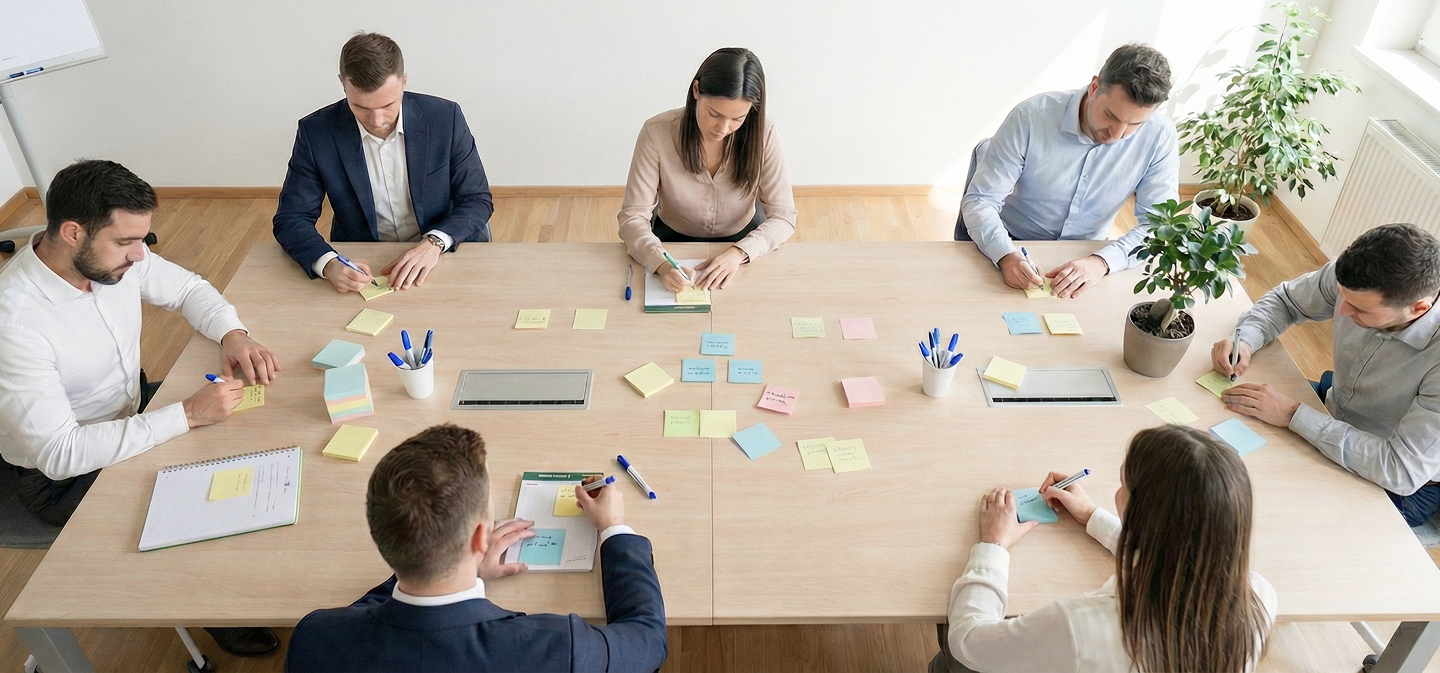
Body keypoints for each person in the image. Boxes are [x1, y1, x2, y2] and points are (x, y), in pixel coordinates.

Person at [0, 159, 283, 657]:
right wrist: (188, 415)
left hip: (127, 411)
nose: (140, 256)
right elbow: (60, 454)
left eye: (143, 239)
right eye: (126, 242)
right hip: (60, 476)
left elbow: (190, 289)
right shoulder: (16, 323)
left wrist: (233, 334)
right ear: (72, 233)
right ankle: (211, 606)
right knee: (198, 501)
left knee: (247, 442)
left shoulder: (114, 260)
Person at [286, 424, 667, 672]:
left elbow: (364, 619)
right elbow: (647, 638)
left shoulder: (313, 640)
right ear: (481, 538)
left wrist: (454, 567)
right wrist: (614, 529)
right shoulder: (556, 647)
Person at [933, 426, 1276, 673]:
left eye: (1124, 484)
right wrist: (1093, 517)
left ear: (1143, 516)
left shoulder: (1079, 629)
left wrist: (992, 545)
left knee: (949, 643)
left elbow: (969, 641)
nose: (1117, 492)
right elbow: (1175, 556)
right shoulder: (1259, 597)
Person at [1215, 223, 1440, 528]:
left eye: (1359, 309)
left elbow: (1400, 469)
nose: (1341, 309)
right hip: (1332, 409)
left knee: (1278, 519)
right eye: (1340, 296)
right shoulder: (1355, 276)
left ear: (1418, 308)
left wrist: (1294, 415)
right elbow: (1286, 301)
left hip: (1398, 479)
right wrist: (1247, 338)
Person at [273, 32, 493, 294]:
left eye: (388, 105)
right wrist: (328, 263)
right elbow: (291, 218)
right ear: (343, 83)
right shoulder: (316, 133)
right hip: (365, 263)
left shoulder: (445, 118)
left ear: (404, 82)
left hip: (444, 252)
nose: (376, 121)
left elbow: (477, 199)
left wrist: (434, 243)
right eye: (361, 107)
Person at [959, 43, 1179, 299]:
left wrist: (1102, 262)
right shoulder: (1030, 118)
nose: (1117, 135)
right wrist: (1006, 255)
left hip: (1088, 256)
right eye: (1111, 116)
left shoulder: (1160, 135)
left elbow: (1160, 225)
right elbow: (981, 200)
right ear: (1094, 87)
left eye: (1135, 124)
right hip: (1011, 241)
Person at [618, 47, 797, 293]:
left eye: (738, 119)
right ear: (696, 90)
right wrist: (660, 263)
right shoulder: (656, 133)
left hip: (743, 238)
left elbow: (784, 216)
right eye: (714, 114)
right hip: (671, 238)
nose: (723, 129)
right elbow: (633, 217)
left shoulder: (764, 133)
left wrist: (739, 253)